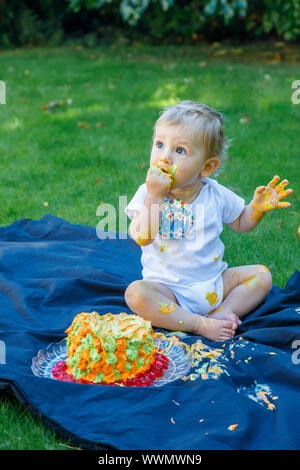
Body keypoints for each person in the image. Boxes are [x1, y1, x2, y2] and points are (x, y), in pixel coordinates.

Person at [124, 100, 293, 341]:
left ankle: (224, 313)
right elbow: (142, 236)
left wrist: (256, 208)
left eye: (179, 150)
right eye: (160, 144)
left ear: (207, 167)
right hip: (168, 292)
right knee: (136, 294)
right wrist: (154, 196)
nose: (165, 157)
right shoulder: (147, 193)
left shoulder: (215, 194)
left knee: (262, 275)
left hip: (214, 284)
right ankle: (198, 324)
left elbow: (242, 222)